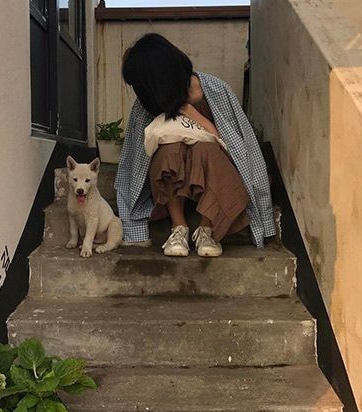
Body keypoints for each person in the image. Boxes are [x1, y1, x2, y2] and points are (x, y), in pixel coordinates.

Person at [115, 33, 275, 257]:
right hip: (170, 178)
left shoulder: (215, 90)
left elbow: (236, 147)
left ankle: (207, 229)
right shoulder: (145, 106)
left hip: (213, 170)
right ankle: (178, 227)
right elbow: (133, 162)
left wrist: (189, 112)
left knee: (206, 148)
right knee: (169, 149)